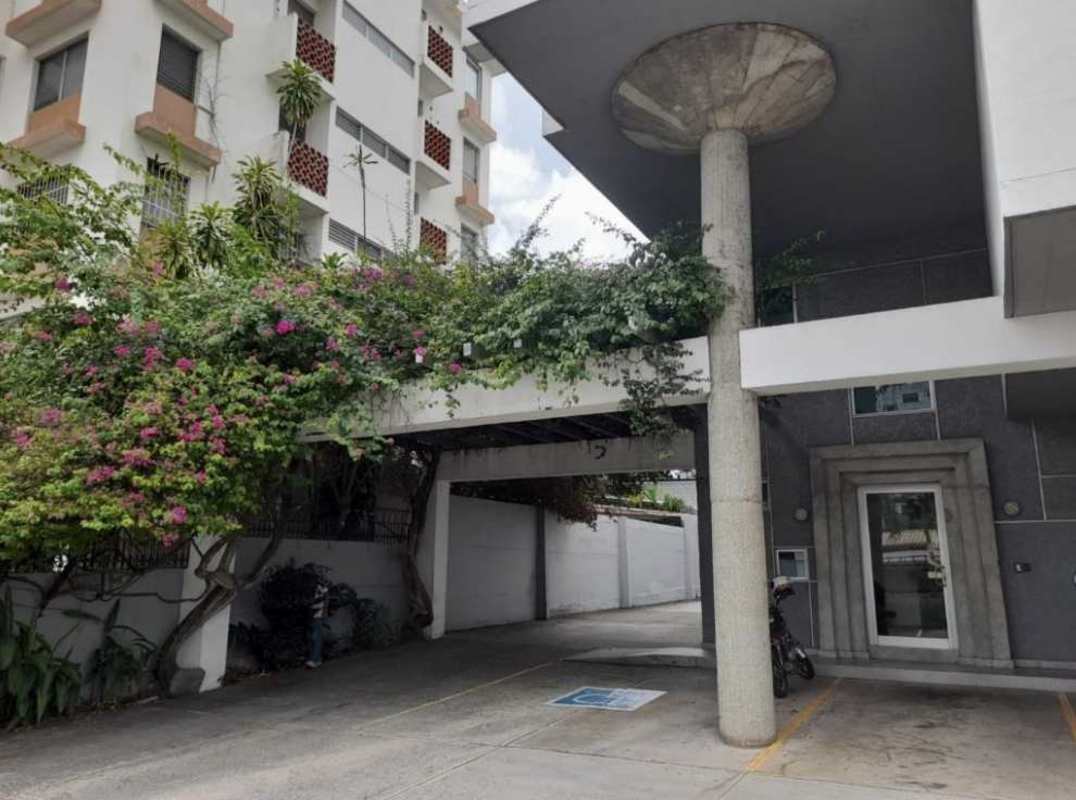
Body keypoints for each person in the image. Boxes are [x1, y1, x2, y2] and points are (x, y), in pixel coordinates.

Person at [305, 575, 330, 669]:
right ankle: (318, 659)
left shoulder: (320, 586)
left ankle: (313, 659)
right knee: (313, 637)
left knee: (316, 637)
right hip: (312, 615)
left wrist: (324, 612)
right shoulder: (309, 589)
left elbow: (327, 597)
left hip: (318, 614)